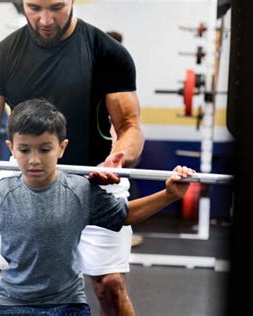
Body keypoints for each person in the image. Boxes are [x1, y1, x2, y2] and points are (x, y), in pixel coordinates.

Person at [0, 1, 145, 314]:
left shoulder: (107, 53)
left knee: (110, 286)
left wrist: (118, 159)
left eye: (56, 7)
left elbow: (129, 126)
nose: (45, 19)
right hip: (25, 180)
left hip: (94, 179)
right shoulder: (1, 56)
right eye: (34, 7)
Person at [0, 99, 194, 315]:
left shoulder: (79, 190)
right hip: (11, 306)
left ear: (61, 148)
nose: (34, 160)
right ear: (11, 149)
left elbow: (125, 215)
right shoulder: (3, 192)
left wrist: (169, 194)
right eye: (25, 150)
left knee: (111, 286)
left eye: (44, 149)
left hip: (67, 306)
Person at [106, 30, 143, 248]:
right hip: (104, 137)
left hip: (118, 139)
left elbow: (129, 121)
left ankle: (126, 229)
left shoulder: (122, 72)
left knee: (123, 183)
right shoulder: (99, 69)